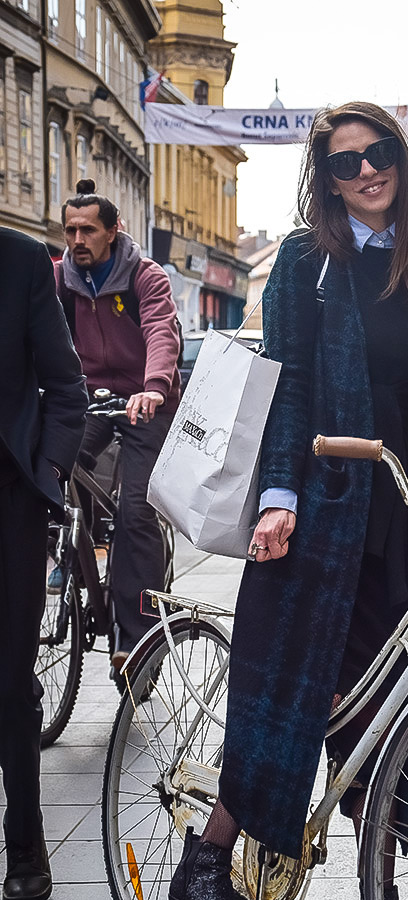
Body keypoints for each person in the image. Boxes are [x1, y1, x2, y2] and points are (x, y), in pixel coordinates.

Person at [168, 101, 408, 900]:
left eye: (378, 155)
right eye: (345, 163)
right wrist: (278, 497)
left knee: (390, 725)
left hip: (407, 519)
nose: (366, 172)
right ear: (325, 178)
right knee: (293, 700)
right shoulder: (307, 263)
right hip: (319, 513)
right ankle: (203, 863)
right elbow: (288, 385)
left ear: (401, 162)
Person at [55, 180, 181, 670]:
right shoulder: (57, 280)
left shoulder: (143, 276)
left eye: (88, 229)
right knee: (50, 471)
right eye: (70, 230)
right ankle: (73, 559)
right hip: (86, 398)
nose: (78, 240)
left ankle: (137, 635)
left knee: (136, 511)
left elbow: (160, 329)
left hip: (144, 402)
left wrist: (154, 385)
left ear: (113, 230)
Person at [0, 227, 88, 900]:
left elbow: (66, 387)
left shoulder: (22, 260)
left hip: (7, 504)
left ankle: (25, 841)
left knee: (7, 679)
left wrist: (48, 469)